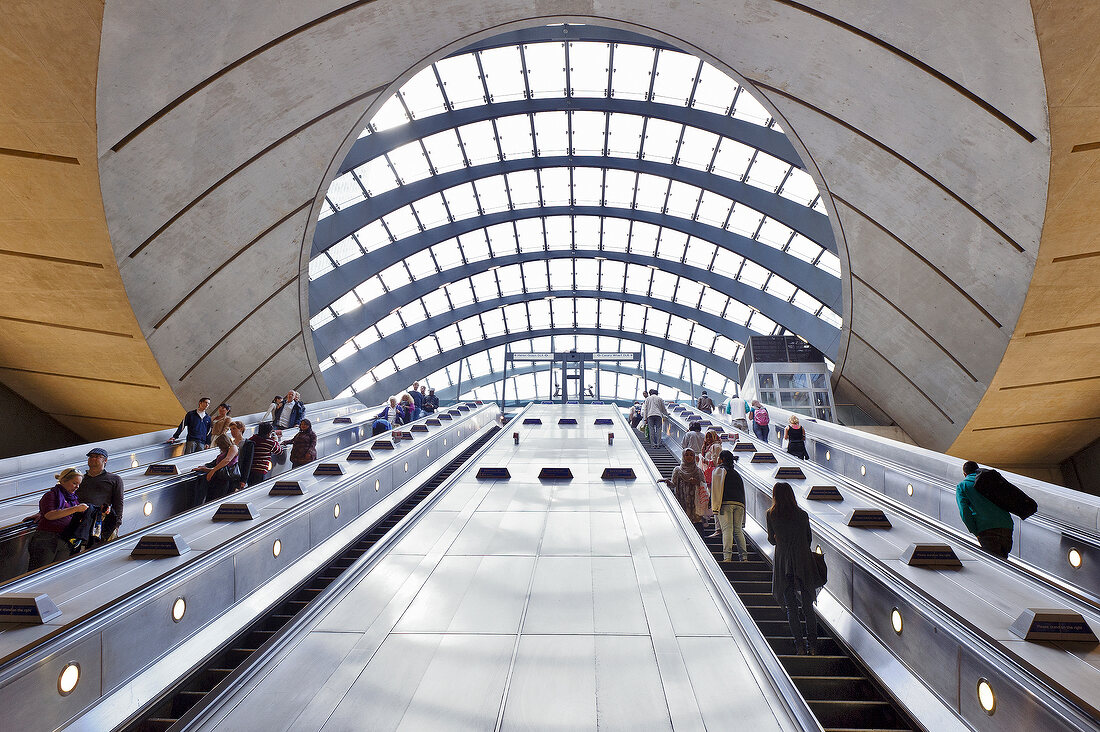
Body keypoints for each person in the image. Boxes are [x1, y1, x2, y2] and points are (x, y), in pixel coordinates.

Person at [767, 482, 826, 655]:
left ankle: (799, 646)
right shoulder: (802, 515)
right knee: (808, 606)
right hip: (803, 561)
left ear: (775, 495)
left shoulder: (771, 514)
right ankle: (813, 646)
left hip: (784, 561)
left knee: (791, 607)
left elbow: (771, 540)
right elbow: (808, 539)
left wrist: (780, 538)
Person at [28, 468, 88, 570]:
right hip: (47, 538)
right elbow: (49, 515)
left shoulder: (73, 499)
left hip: (65, 539)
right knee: (39, 570)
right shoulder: (51, 495)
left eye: (79, 484)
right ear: (64, 480)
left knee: (57, 571)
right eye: (74, 483)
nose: (77, 487)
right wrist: (75, 509)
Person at [956, 461, 1014, 558]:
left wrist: (975, 531)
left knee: (996, 564)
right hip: (1006, 525)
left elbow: (964, 512)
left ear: (964, 474)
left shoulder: (962, 486)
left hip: (986, 528)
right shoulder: (991, 480)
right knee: (1003, 560)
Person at [78, 447, 124, 545]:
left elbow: (118, 503)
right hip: (80, 519)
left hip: (102, 521)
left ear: (105, 460)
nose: (93, 459)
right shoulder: (80, 479)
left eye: (97, 457)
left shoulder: (114, 479)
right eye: (91, 456)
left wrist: (116, 525)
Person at [711, 450, 747, 562]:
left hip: (725, 503)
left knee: (727, 529)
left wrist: (715, 506)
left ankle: (727, 557)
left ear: (722, 459)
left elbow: (716, 489)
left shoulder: (720, 470)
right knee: (737, 530)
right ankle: (744, 557)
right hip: (739, 503)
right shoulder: (736, 473)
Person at [660, 448, 707, 530]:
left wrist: (697, 482)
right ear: (683, 456)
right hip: (682, 500)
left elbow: (704, 486)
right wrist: (667, 481)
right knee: (683, 523)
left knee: (697, 525)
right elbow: (673, 484)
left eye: (691, 455)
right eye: (687, 455)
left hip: (695, 502)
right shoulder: (677, 470)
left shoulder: (698, 471)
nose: (689, 457)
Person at [191, 433, 239, 503]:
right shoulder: (224, 452)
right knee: (211, 498)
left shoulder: (233, 447)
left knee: (218, 499)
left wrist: (213, 471)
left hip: (225, 479)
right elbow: (215, 463)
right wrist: (203, 467)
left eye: (220, 445)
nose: (219, 447)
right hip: (217, 478)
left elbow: (227, 460)